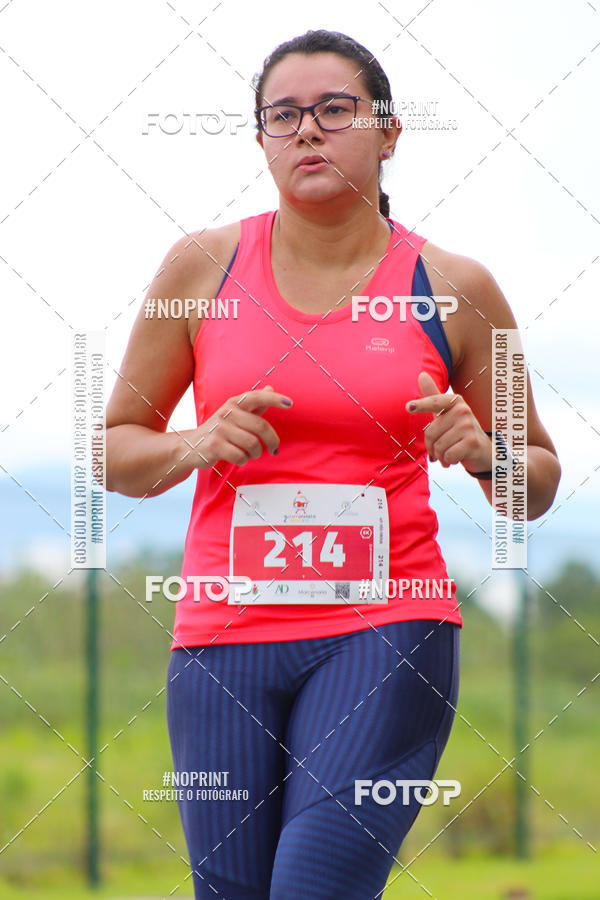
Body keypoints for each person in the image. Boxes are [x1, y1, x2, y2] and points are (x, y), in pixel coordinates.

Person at [106, 28, 561, 900]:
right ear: (261, 141)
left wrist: (486, 454)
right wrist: (196, 443)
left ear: (388, 133)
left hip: (387, 631)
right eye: (284, 116)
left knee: (315, 888)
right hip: (222, 638)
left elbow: (536, 480)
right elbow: (117, 451)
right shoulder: (200, 267)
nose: (307, 131)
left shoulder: (455, 287)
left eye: (334, 110)